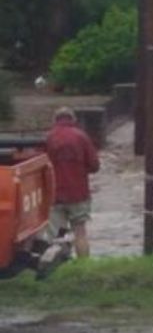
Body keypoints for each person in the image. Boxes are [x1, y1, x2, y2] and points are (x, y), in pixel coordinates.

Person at [45, 107, 100, 258]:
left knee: (57, 235)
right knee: (80, 232)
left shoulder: (49, 137)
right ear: (73, 120)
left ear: (54, 120)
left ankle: (58, 266)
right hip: (78, 193)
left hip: (55, 194)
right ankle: (83, 265)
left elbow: (41, 164)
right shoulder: (81, 137)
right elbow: (95, 166)